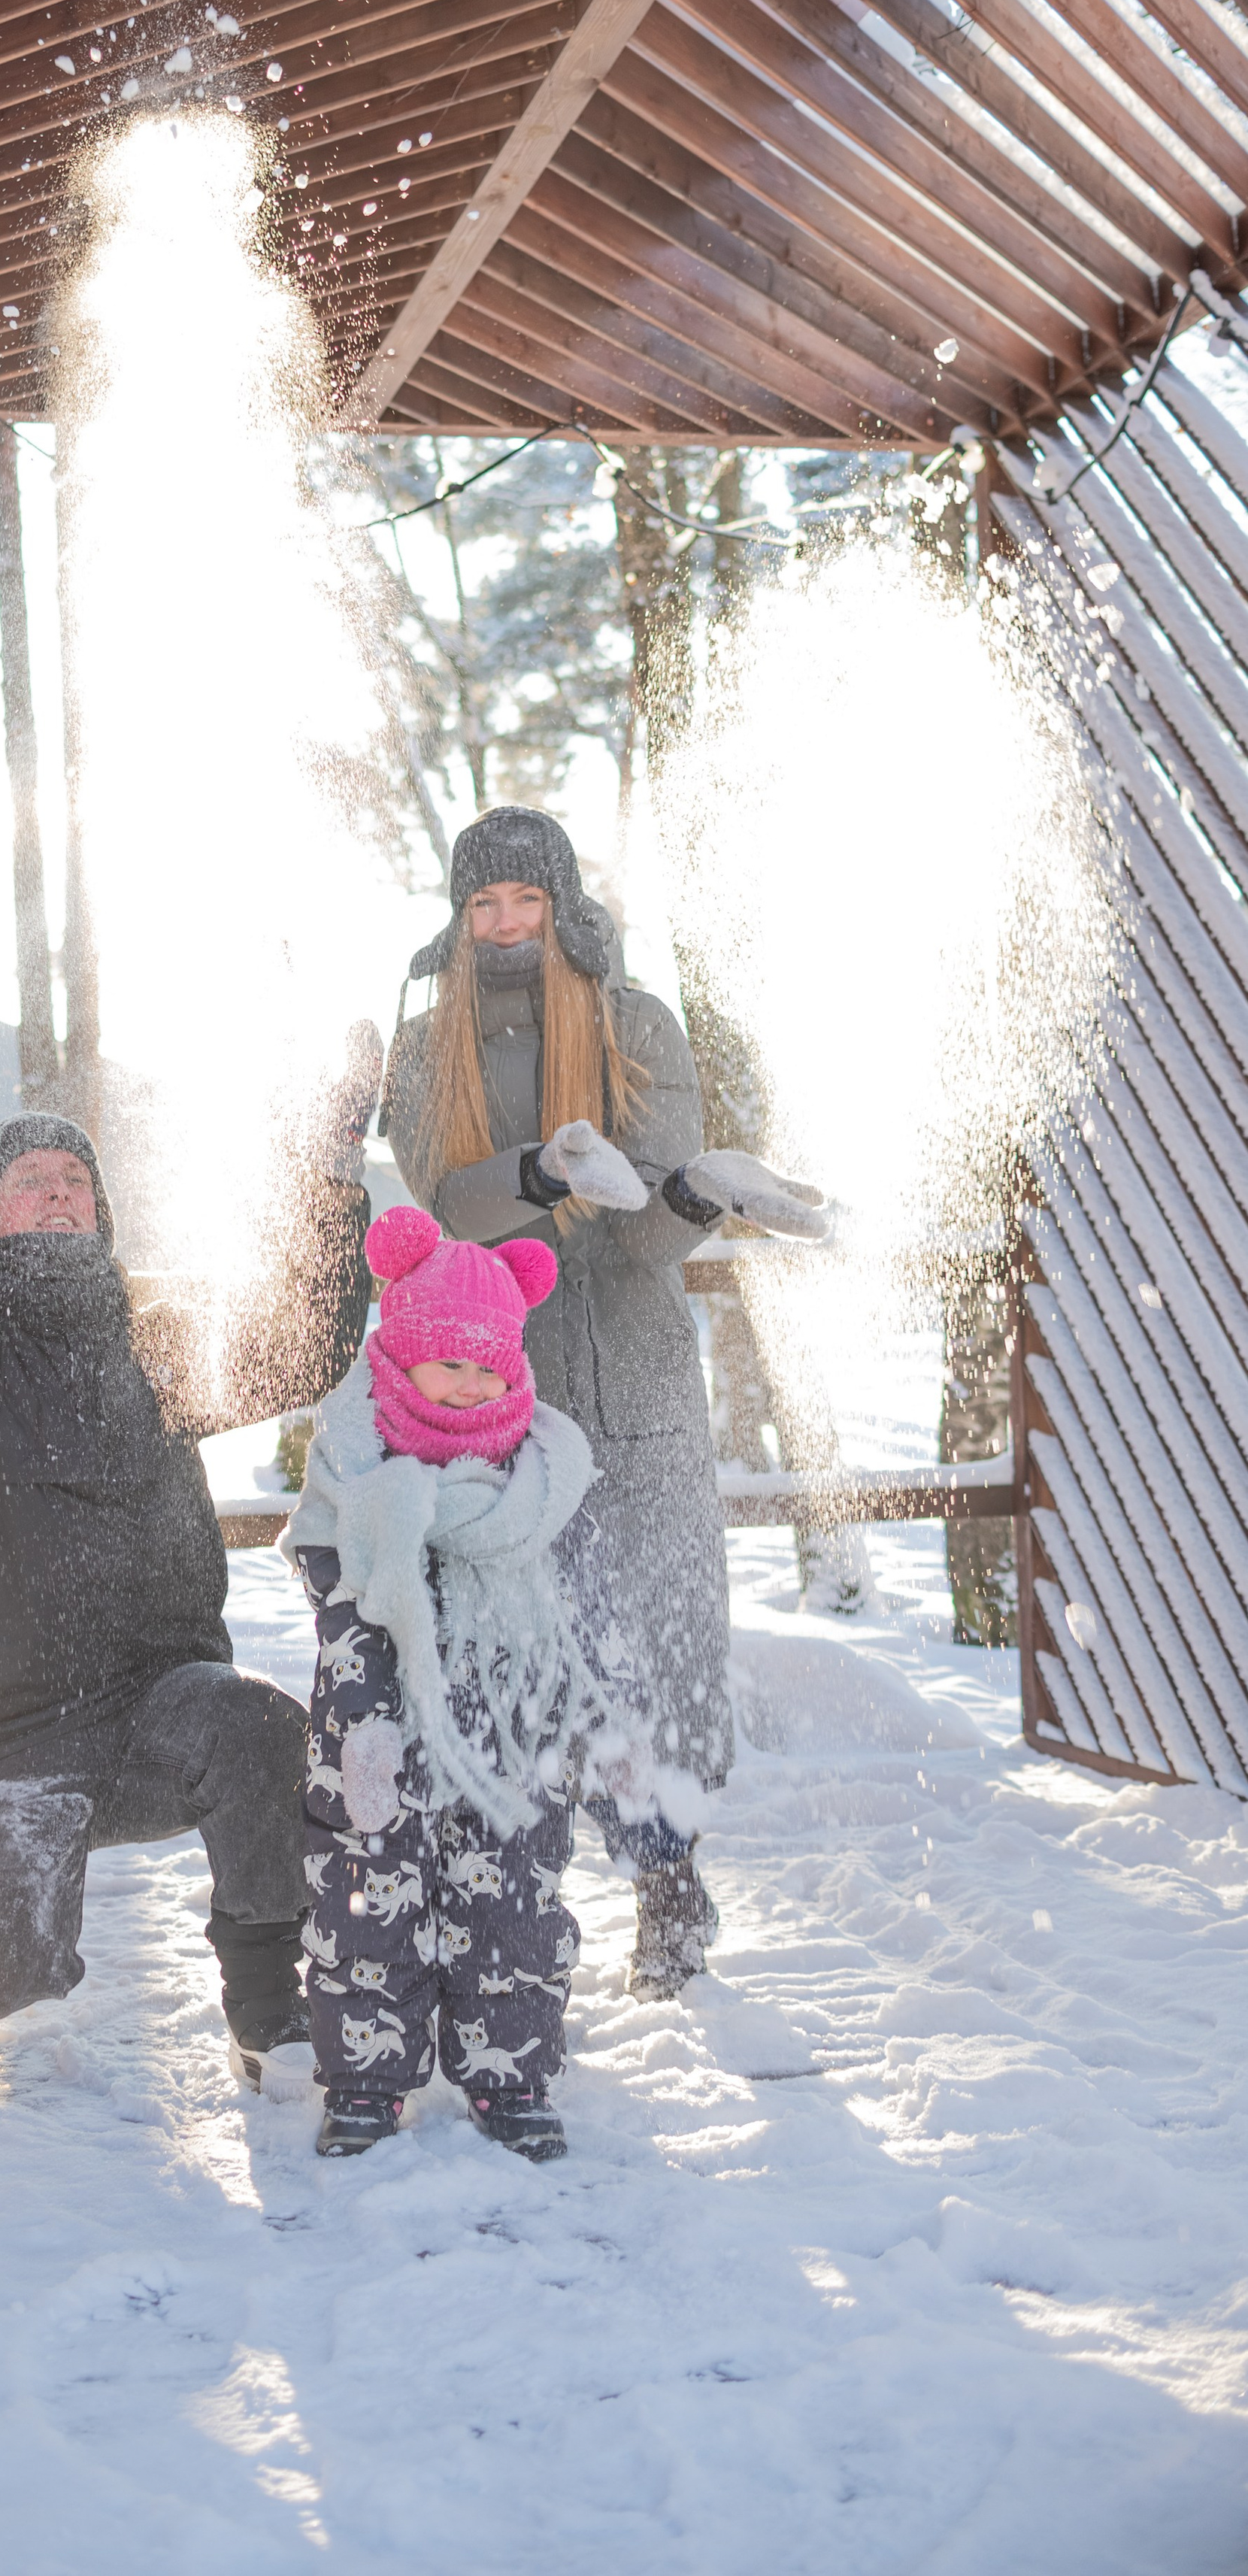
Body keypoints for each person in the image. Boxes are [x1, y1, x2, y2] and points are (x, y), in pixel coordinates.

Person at [0, 1055, 375, 2091]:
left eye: (78, 1180)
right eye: (34, 1178)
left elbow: (301, 1338)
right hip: (2, 1730)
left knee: (261, 1729)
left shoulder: (155, 1351)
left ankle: (270, 2008)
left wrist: (333, 1170)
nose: (63, 1189)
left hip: (157, 1709)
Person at [383, 805, 828, 1998]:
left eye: (527, 900)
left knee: (649, 1646)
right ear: (459, 919)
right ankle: (513, 1913)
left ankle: (668, 1877)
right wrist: (541, 1170)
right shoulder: (429, 1047)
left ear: (564, 906)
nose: (507, 923)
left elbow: (638, 1250)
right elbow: (445, 1203)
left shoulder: (638, 1026)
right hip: (489, 1397)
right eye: (485, 905)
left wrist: (694, 1191)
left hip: (631, 1387)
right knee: (525, 1649)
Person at [287, 1203, 635, 2162]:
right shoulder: (357, 1470)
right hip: (378, 1747)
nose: (469, 1383)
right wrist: (362, 1730)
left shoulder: (540, 1480)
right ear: (399, 1358)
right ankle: (367, 2080)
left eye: (488, 1366)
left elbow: (581, 1623)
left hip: (509, 1744)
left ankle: (509, 2072)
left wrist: (602, 1731)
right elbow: (344, 1609)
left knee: (512, 1907)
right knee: (367, 1904)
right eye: (449, 1364)